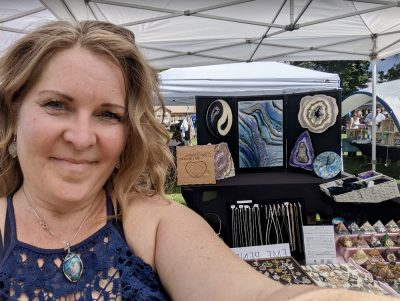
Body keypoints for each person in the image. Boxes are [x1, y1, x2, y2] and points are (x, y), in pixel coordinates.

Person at [0, 21, 392, 301]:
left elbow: (251, 291)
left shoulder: (155, 225)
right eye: (56, 105)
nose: (82, 137)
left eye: (108, 114)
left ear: (129, 131)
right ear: (13, 113)